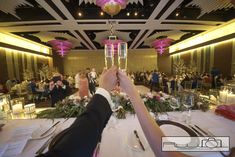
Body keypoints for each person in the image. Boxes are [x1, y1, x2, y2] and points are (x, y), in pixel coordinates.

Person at [38, 66, 189, 157]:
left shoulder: (211, 145)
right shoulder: (211, 145)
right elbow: (167, 151)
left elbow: (167, 152)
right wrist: (131, 91)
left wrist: (105, 90)